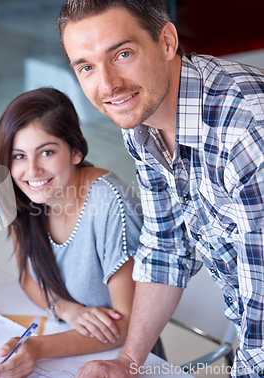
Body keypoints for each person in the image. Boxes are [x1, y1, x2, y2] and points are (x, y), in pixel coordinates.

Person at [57, 0, 264, 377]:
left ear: (167, 41)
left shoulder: (247, 133)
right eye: (86, 66)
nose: (107, 85)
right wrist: (128, 362)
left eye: (122, 54)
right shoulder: (141, 120)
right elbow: (166, 245)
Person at [0, 87, 149, 378]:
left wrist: (37, 349)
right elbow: (28, 277)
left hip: (118, 361)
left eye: (47, 152)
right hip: (66, 343)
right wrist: (66, 309)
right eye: (19, 156)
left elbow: (126, 326)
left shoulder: (110, 204)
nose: (32, 171)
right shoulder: (21, 195)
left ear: (75, 151)